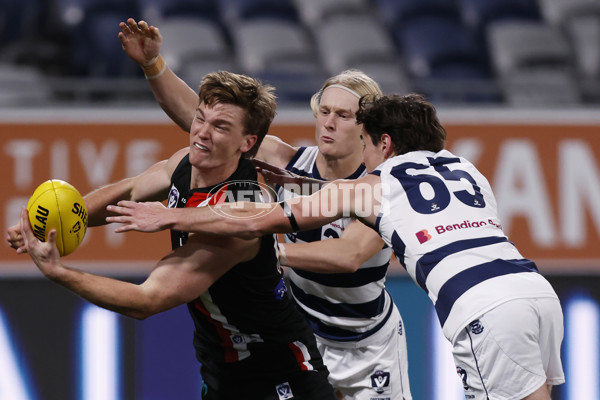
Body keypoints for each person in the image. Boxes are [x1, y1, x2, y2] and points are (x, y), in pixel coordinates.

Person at [107, 94, 565, 400]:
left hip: (482, 308)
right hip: (537, 292)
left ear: (384, 143)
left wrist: (174, 215)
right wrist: (305, 183)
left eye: (365, 143)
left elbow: (265, 218)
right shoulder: (467, 168)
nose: (363, 155)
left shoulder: (375, 184)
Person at [118, 18, 412, 400]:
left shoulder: (380, 185)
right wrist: (154, 65)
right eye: (323, 111)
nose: (329, 123)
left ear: (365, 127)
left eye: (343, 116)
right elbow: (204, 119)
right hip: (302, 334)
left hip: (365, 343)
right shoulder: (288, 161)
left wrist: (263, 251)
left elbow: (347, 255)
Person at [7, 71, 336, 400]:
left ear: (247, 143)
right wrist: (55, 225)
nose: (201, 134)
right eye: (200, 118)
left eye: (220, 127)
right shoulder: (185, 162)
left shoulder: (238, 220)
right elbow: (131, 190)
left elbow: (146, 300)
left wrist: (59, 272)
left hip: (281, 377)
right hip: (223, 373)